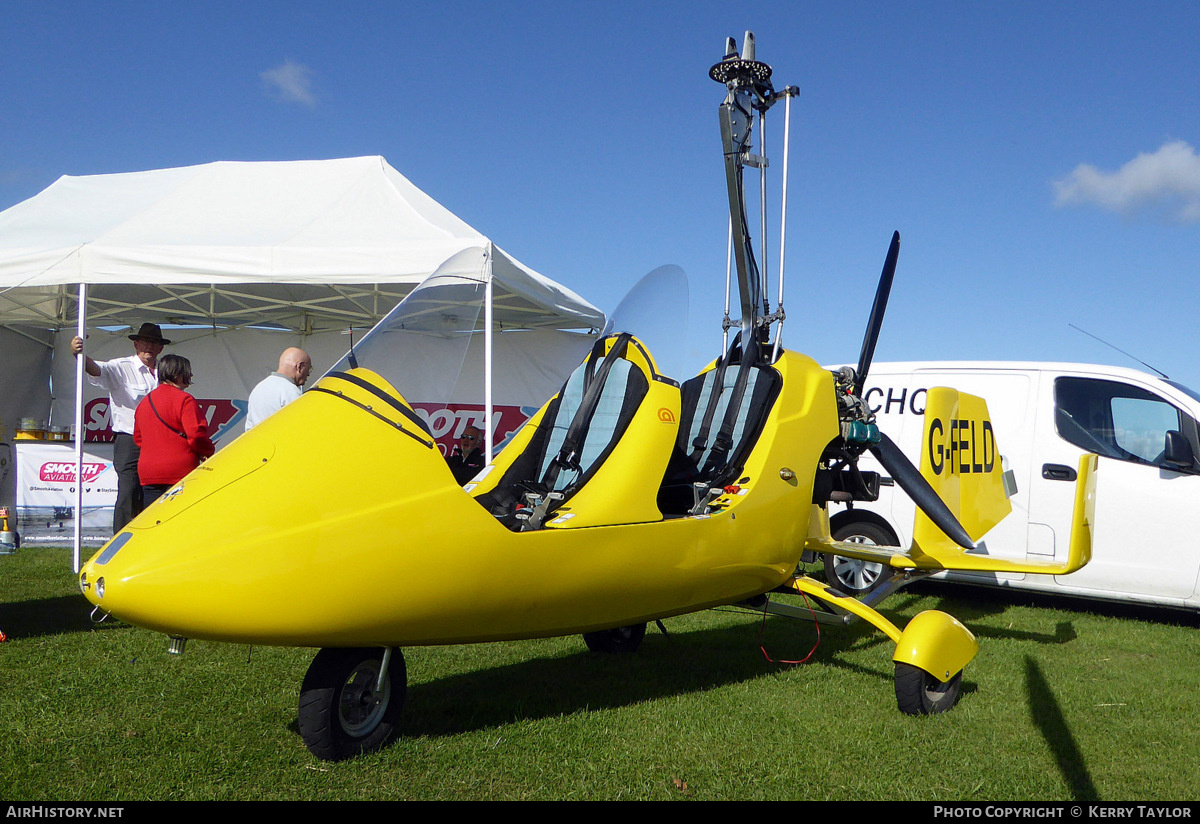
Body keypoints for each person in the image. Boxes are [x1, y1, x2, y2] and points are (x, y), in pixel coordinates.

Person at [71, 322, 168, 531]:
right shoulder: (121, 367)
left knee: (154, 491)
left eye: (154, 343)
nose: (149, 346)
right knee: (128, 491)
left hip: (158, 442)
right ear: (136, 344)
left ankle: (149, 537)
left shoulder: (165, 372)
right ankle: (120, 542)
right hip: (129, 439)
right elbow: (96, 370)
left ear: (161, 348)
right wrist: (79, 354)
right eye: (145, 342)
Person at [133, 354, 215, 508]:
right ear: (177, 373)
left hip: (149, 472)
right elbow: (196, 436)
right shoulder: (185, 400)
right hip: (180, 472)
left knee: (155, 522)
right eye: (187, 371)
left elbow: (138, 439)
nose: (190, 375)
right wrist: (208, 452)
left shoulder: (145, 402)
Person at [244, 347, 312, 431]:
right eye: (308, 369)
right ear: (299, 366)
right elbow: (300, 427)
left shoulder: (258, 388)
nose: (308, 374)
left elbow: (249, 428)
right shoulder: (291, 391)